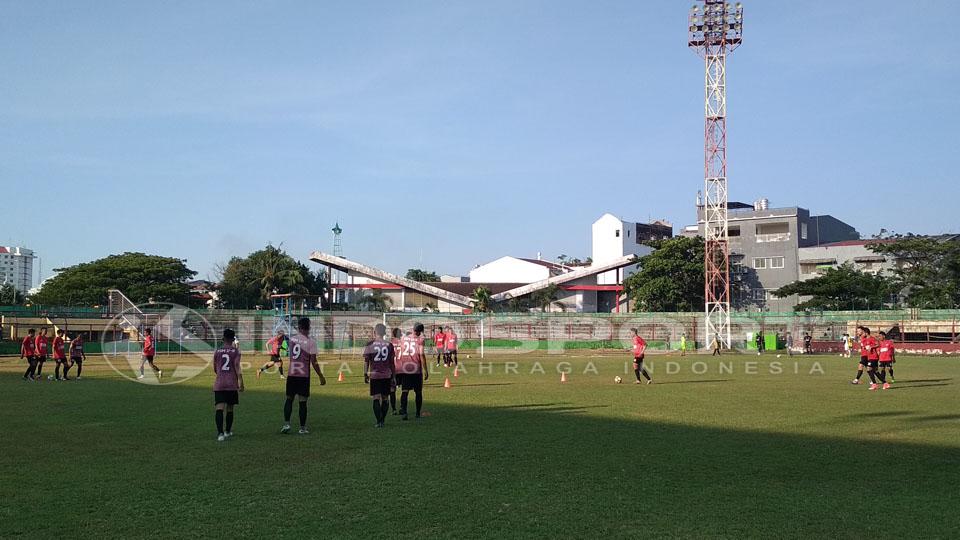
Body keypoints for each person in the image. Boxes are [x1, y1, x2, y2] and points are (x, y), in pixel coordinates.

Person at [281, 317, 326, 434]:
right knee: (302, 401)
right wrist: (321, 375)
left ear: (299, 327)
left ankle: (286, 424)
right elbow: (314, 361)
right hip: (303, 375)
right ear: (309, 327)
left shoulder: (292, 340)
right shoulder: (311, 342)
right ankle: (302, 428)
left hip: (292, 374)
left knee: (289, 399)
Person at [213, 328, 245, 442]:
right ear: (233, 339)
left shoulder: (217, 351)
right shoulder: (236, 351)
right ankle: (227, 431)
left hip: (219, 383)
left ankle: (220, 434)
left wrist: (221, 375)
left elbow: (215, 368)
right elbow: (237, 366)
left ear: (223, 338)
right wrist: (241, 382)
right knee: (230, 408)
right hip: (231, 383)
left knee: (219, 408)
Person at [363, 323, 395, 428]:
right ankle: (383, 420)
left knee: (376, 398)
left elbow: (366, 361)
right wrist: (393, 376)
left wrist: (365, 373)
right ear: (384, 333)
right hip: (386, 375)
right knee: (385, 398)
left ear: (374, 332)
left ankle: (378, 421)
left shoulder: (369, 344)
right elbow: (392, 363)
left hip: (375, 375)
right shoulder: (389, 345)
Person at [396, 323, 429, 421]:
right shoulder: (420, 340)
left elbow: (400, 352)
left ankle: (404, 413)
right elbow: (421, 354)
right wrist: (426, 370)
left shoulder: (403, 338)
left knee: (404, 391)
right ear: (420, 331)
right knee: (418, 392)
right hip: (416, 369)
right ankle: (418, 413)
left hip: (405, 368)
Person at [389, 327, 403, 415]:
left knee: (392, 390)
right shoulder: (403, 342)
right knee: (404, 390)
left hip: (392, 369)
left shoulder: (389, 343)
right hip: (402, 368)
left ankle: (394, 409)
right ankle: (402, 407)